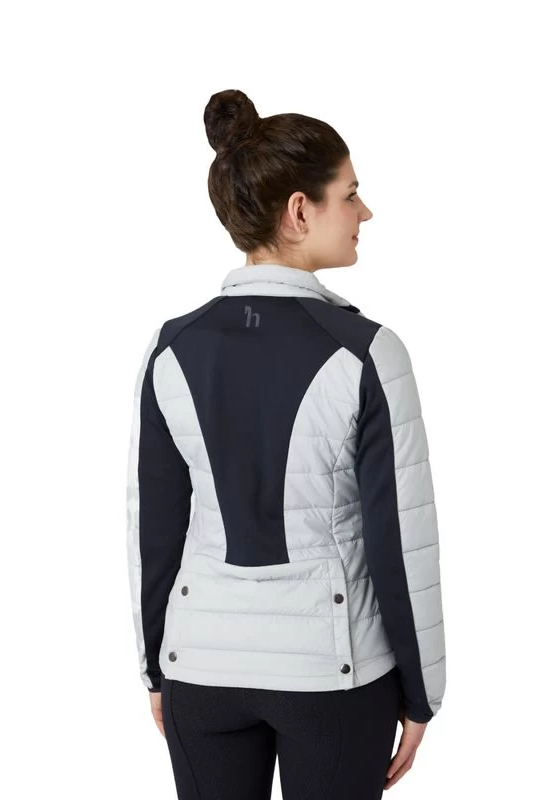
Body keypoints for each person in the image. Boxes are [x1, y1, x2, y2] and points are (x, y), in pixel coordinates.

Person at [126, 88, 447, 799]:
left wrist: (155, 667)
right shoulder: (368, 353)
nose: (365, 213)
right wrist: (423, 693)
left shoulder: (170, 349)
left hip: (201, 670)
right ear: (300, 212)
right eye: (350, 195)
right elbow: (401, 539)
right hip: (332, 674)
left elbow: (152, 529)